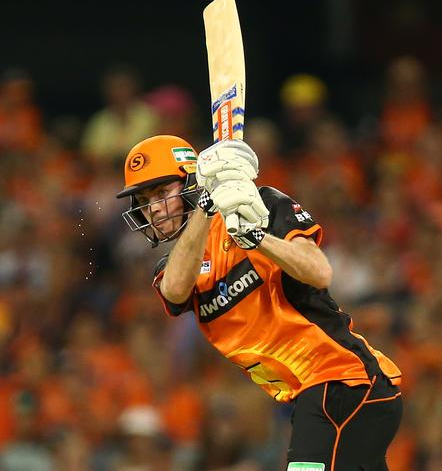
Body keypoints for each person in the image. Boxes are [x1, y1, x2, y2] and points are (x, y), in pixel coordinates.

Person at [116, 135, 403, 470]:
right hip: (317, 395)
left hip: (342, 381)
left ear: (190, 183)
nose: (153, 209)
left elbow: (320, 272)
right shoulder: (175, 264)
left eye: (162, 193)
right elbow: (176, 289)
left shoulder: (261, 206)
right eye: (145, 200)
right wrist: (207, 208)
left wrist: (256, 238)